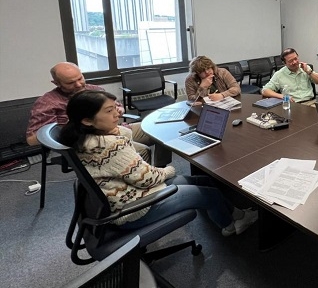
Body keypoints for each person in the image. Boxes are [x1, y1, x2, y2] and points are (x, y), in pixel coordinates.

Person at [58, 90, 258, 236]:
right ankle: (231, 225)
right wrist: (169, 170)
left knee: (202, 180)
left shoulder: (83, 139)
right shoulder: (110, 145)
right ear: (87, 120)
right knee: (210, 193)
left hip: (128, 193)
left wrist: (117, 129)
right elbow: (147, 179)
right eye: (109, 111)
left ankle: (235, 216)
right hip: (135, 208)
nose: (117, 114)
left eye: (115, 107)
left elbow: (137, 173)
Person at [26, 62, 171, 166]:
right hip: (90, 142)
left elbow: (118, 107)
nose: (78, 85)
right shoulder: (48, 102)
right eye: (70, 83)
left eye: (80, 78)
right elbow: (32, 139)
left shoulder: (94, 89)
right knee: (142, 151)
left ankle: (158, 169)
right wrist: (75, 126)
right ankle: (139, 185)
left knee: (161, 128)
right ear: (56, 83)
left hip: (116, 130)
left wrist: (117, 110)